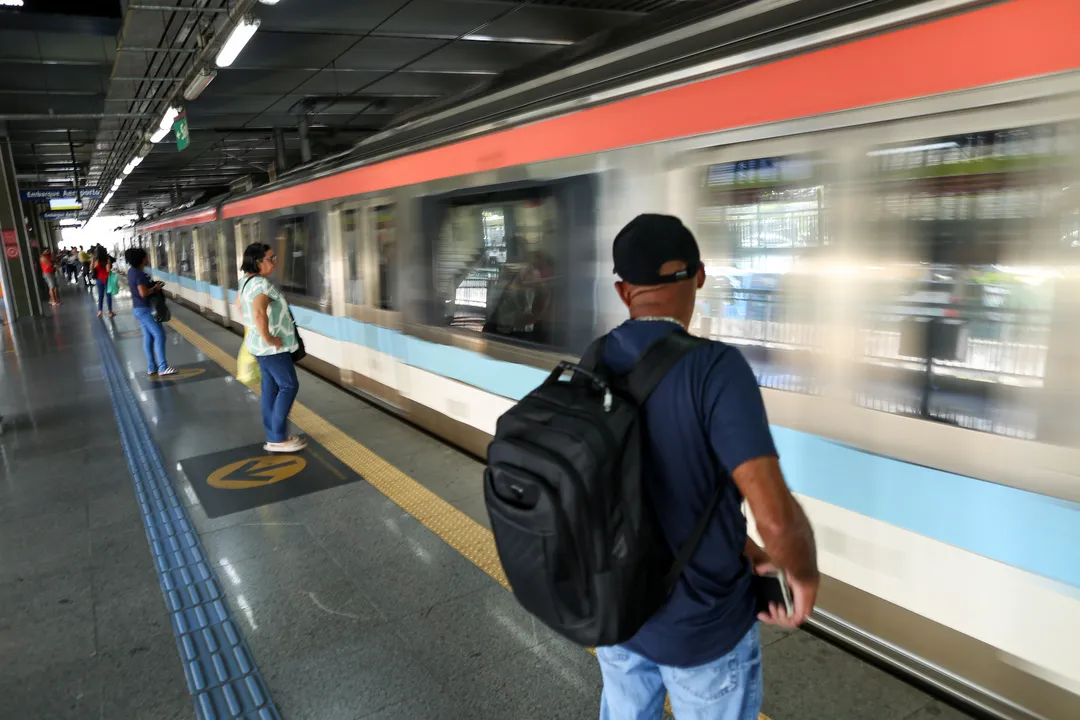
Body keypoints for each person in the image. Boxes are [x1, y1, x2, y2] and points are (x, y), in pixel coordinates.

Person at [594, 214, 819, 720]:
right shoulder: (717, 369)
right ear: (698, 276)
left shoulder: (595, 359)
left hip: (617, 609)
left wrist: (745, 548)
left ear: (623, 290)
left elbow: (635, 487)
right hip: (702, 628)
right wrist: (801, 572)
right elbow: (775, 516)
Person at [237, 242, 305, 453]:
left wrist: (259, 333)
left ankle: (274, 436)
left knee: (270, 389)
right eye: (270, 258)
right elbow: (258, 313)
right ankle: (278, 438)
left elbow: (240, 306)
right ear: (258, 262)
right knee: (289, 386)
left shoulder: (246, 281)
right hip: (272, 349)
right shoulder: (260, 284)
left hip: (259, 347)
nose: (274, 262)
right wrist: (269, 338)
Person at [125, 247, 175, 378]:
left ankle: (151, 367)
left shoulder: (131, 272)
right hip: (146, 309)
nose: (148, 258)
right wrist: (155, 288)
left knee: (148, 337)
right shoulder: (139, 274)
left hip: (138, 309)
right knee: (160, 335)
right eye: (146, 256)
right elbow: (143, 293)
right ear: (142, 259)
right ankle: (163, 367)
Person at [91, 247, 114, 317]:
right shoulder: (107, 258)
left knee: (100, 295)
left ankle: (100, 311)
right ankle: (110, 311)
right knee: (108, 295)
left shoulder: (95, 260)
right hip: (107, 279)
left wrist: (93, 262)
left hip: (99, 279)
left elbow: (92, 269)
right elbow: (108, 270)